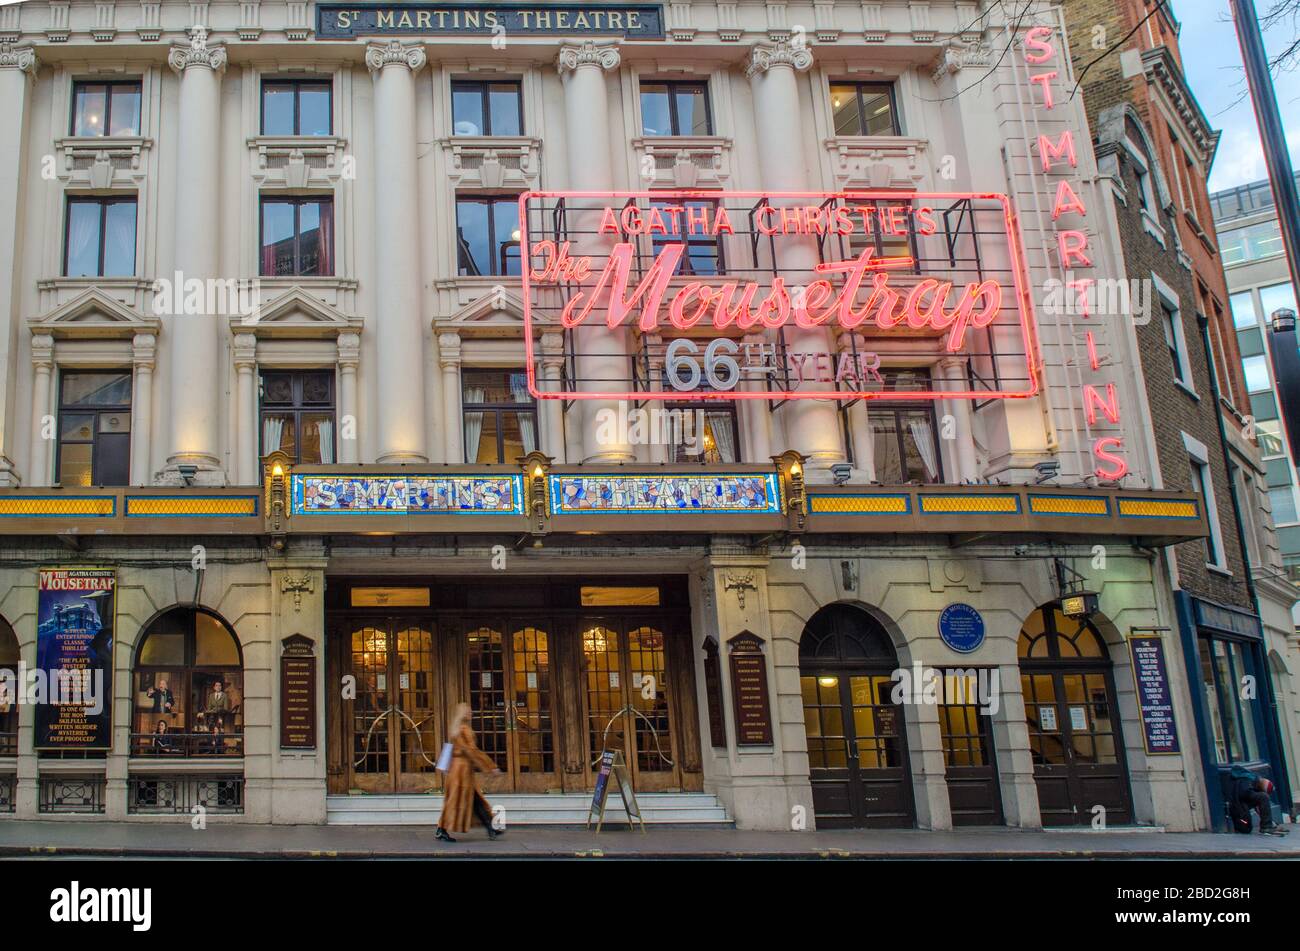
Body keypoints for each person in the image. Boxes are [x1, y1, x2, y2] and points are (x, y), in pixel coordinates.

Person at [436, 702, 503, 842]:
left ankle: (491, 828)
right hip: (461, 771)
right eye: (468, 711)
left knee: (472, 800)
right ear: (463, 714)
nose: (471, 713)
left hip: (459, 771)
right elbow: (471, 751)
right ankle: (441, 829)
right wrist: (490, 766)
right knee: (459, 801)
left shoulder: (457, 729)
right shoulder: (463, 730)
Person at [1228, 764, 1289, 836]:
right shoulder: (1248, 779)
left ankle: (1268, 825)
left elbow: (1259, 809)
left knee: (1262, 798)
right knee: (1263, 797)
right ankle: (1266, 827)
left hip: (1238, 805)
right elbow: (1245, 794)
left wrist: (1272, 823)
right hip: (1238, 807)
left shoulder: (1247, 778)